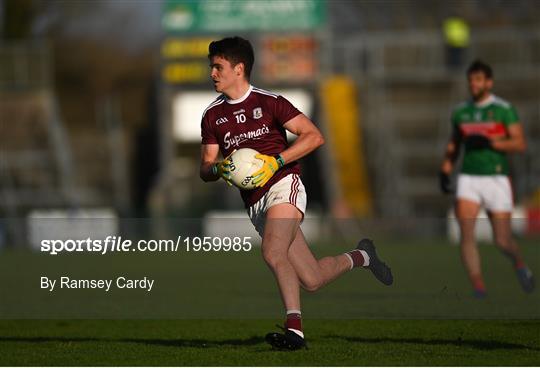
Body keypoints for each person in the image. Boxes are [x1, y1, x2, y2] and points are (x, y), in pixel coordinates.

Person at [199, 36, 393, 350]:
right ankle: (363, 256)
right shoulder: (212, 116)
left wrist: (276, 161)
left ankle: (294, 330)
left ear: (239, 69)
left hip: (284, 184)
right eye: (211, 68)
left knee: (273, 252)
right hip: (255, 203)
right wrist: (219, 170)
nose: (212, 74)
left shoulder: (270, 102)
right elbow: (205, 167)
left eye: (218, 67)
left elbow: (314, 136)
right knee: (312, 278)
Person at [440, 60, 534, 298]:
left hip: (496, 178)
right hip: (469, 179)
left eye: (478, 80)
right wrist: (446, 168)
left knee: (502, 240)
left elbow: (520, 142)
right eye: (471, 80)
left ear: (489, 82)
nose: (473, 84)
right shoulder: (461, 111)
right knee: (467, 233)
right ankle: (478, 287)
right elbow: (454, 143)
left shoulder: (503, 109)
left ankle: (519, 264)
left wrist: (491, 142)